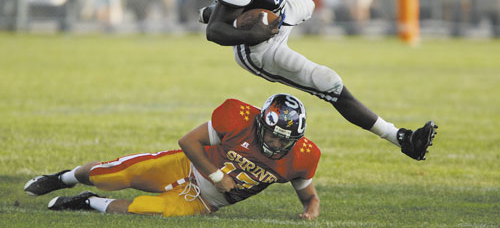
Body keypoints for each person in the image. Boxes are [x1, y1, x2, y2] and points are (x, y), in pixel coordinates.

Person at [199, 0, 438, 162]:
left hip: (277, 15)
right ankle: (402, 139)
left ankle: (211, 10)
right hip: (259, 46)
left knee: (308, 4)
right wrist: (252, 33)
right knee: (329, 83)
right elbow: (214, 32)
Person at [24, 93, 321, 220]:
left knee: (145, 210)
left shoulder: (302, 157)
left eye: (287, 139)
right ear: (260, 124)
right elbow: (188, 141)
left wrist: (311, 210)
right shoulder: (237, 117)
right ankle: (63, 179)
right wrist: (217, 176)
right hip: (187, 164)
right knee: (112, 174)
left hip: (204, 202)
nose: (278, 143)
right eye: (274, 134)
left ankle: (86, 201)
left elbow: (309, 197)